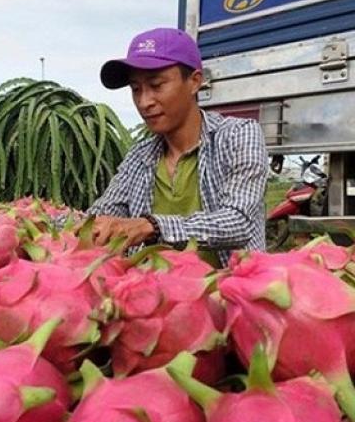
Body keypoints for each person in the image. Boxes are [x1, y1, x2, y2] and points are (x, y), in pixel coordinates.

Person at [84, 27, 269, 267]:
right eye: (136, 89)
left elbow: (237, 222)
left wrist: (151, 226)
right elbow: (104, 211)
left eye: (157, 85)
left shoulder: (238, 135)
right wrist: (54, 221)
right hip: (158, 298)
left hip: (231, 296)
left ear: (194, 82)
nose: (144, 102)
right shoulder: (140, 156)